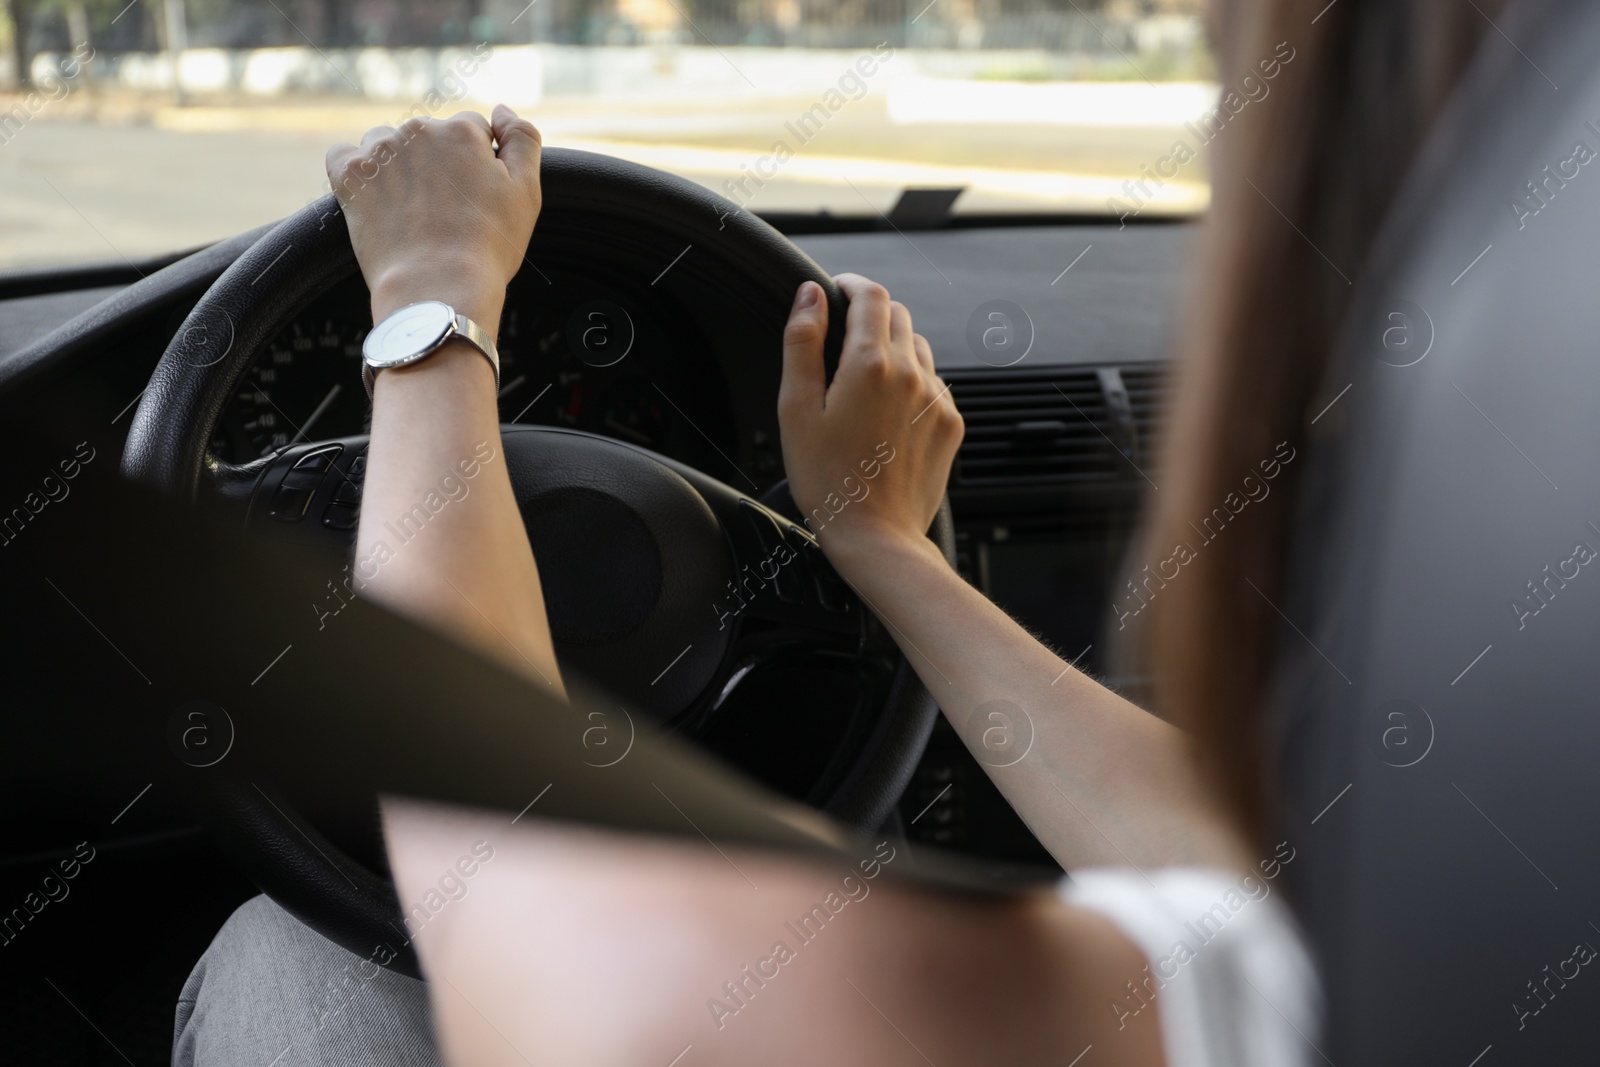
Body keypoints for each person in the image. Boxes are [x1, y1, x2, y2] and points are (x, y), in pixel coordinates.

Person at [175, 1, 1510, 1063]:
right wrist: (881, 550)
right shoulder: (1477, 894)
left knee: (285, 958)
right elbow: (1241, 859)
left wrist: (426, 308)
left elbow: (565, 975)